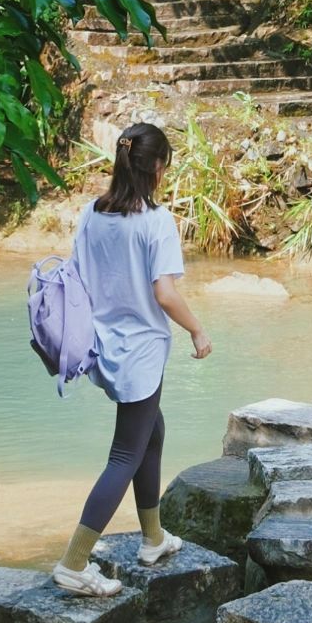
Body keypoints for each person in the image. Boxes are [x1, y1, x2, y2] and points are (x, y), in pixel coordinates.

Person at [52, 120, 211, 598]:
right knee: (124, 455)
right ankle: (74, 562)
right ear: (157, 167)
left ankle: (153, 538)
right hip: (140, 351)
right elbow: (165, 293)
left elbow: (78, 277)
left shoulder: (91, 214)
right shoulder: (156, 222)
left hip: (104, 347)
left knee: (151, 432)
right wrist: (198, 329)